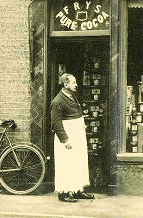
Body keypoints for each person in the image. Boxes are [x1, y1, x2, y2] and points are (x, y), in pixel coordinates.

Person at [51, 73, 95, 202]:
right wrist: (65, 140)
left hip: (77, 135)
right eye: (73, 82)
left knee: (78, 162)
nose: (76, 85)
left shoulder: (72, 96)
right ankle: (64, 193)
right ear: (65, 84)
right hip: (68, 136)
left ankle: (77, 190)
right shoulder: (57, 101)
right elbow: (56, 123)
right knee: (66, 164)